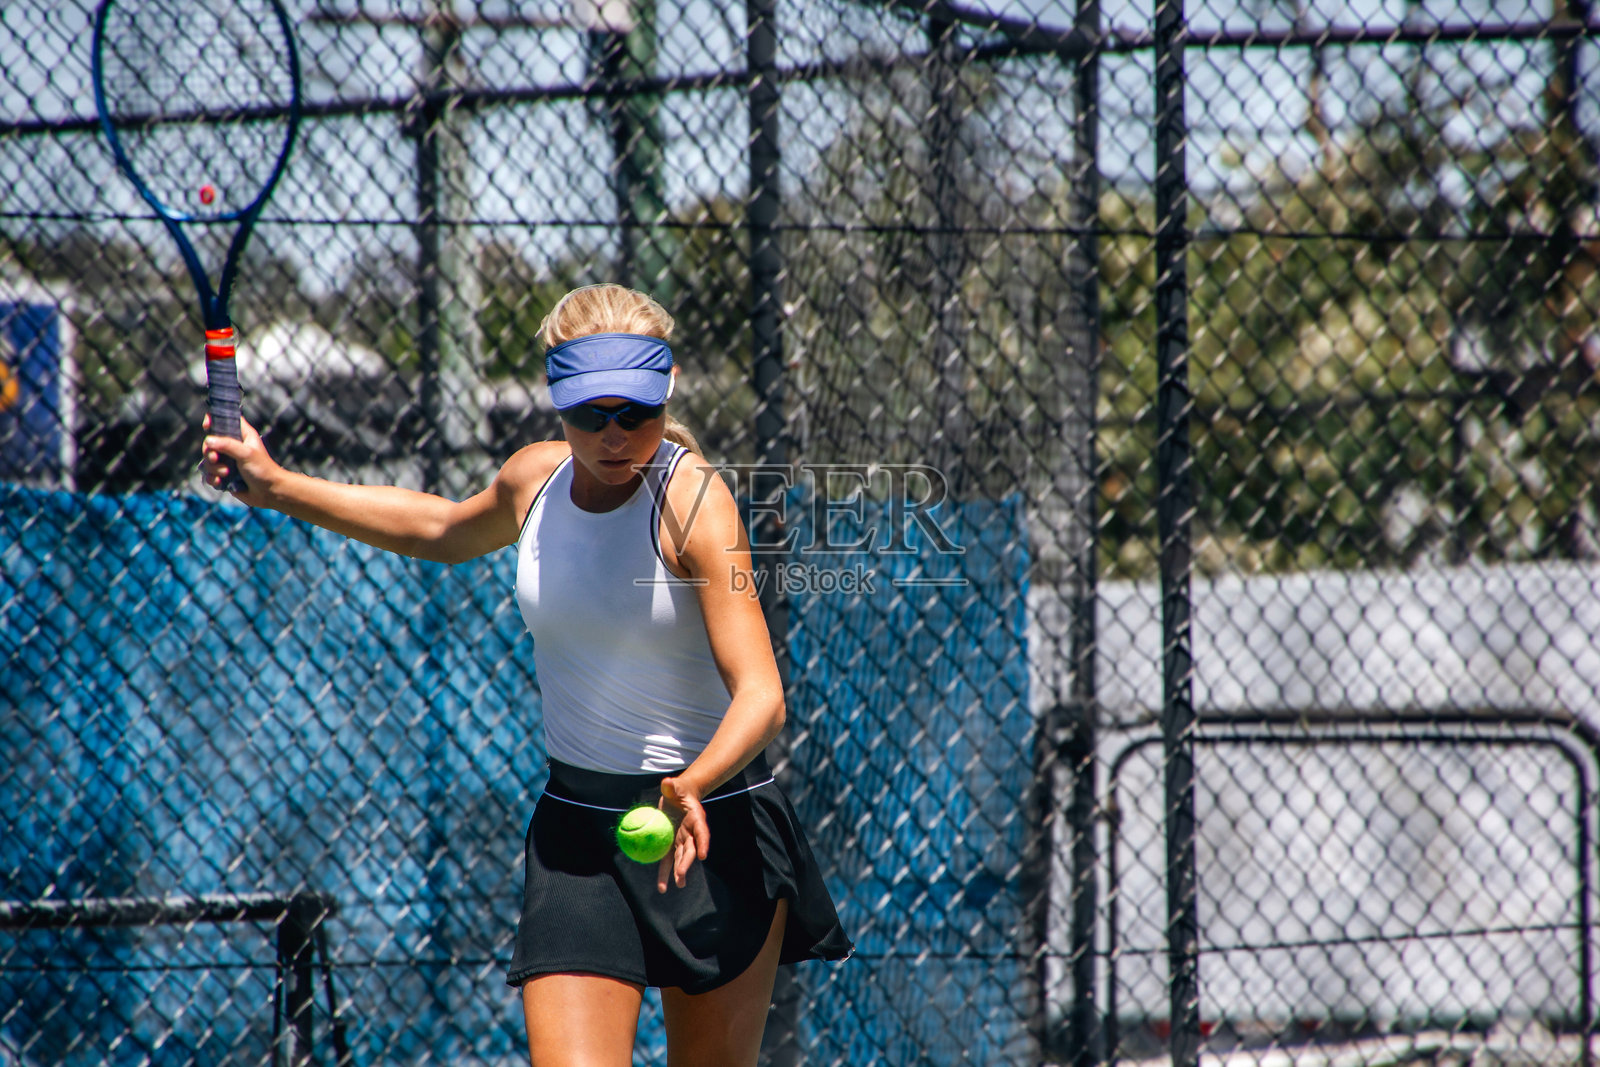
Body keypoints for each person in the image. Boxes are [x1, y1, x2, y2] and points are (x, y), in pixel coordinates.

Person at [201, 283, 851, 1065]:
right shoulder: (533, 480)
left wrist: (692, 783)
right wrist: (279, 488)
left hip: (710, 829)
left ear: (669, 386)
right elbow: (441, 527)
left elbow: (762, 693)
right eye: (589, 414)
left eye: (635, 412)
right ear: (555, 398)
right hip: (577, 835)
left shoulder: (697, 502)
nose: (614, 434)